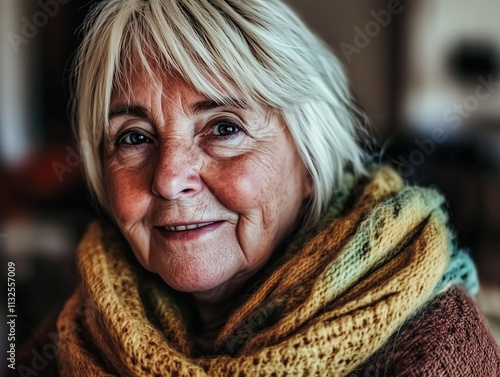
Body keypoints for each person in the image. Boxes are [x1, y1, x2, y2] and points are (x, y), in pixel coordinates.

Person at [24, 0, 500, 376]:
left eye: (224, 128)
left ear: (311, 162)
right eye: (134, 137)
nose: (169, 178)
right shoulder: (83, 327)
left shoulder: (435, 345)